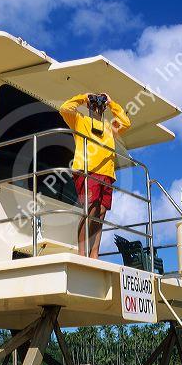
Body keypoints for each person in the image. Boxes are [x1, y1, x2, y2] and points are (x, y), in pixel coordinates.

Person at [59, 93, 131, 259]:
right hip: (86, 170)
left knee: (101, 213)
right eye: (93, 103)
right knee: (89, 210)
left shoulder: (109, 127)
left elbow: (126, 123)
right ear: (89, 106)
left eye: (99, 104)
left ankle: (94, 254)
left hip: (107, 173)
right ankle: (82, 253)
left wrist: (112, 102)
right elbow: (64, 108)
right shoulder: (80, 120)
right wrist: (84, 97)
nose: (96, 106)